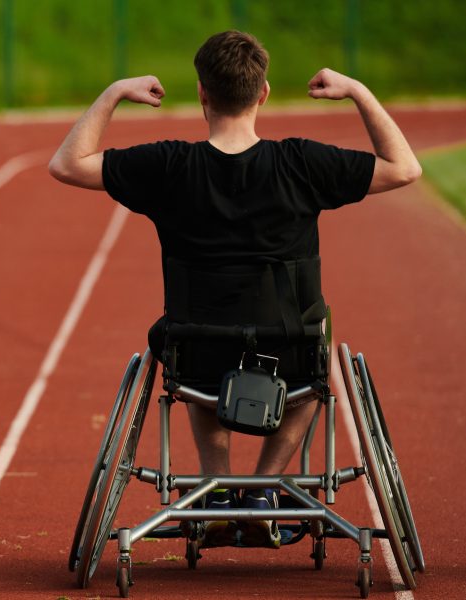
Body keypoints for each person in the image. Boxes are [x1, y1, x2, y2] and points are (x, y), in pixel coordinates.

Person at [49, 31, 420, 547]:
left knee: (196, 343)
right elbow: (405, 167)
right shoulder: (302, 163)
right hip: (291, 357)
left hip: (196, 357)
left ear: (203, 93)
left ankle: (217, 489)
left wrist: (113, 93)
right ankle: (265, 489)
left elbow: (66, 164)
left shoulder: (169, 166)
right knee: (319, 356)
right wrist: (358, 91)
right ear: (262, 93)